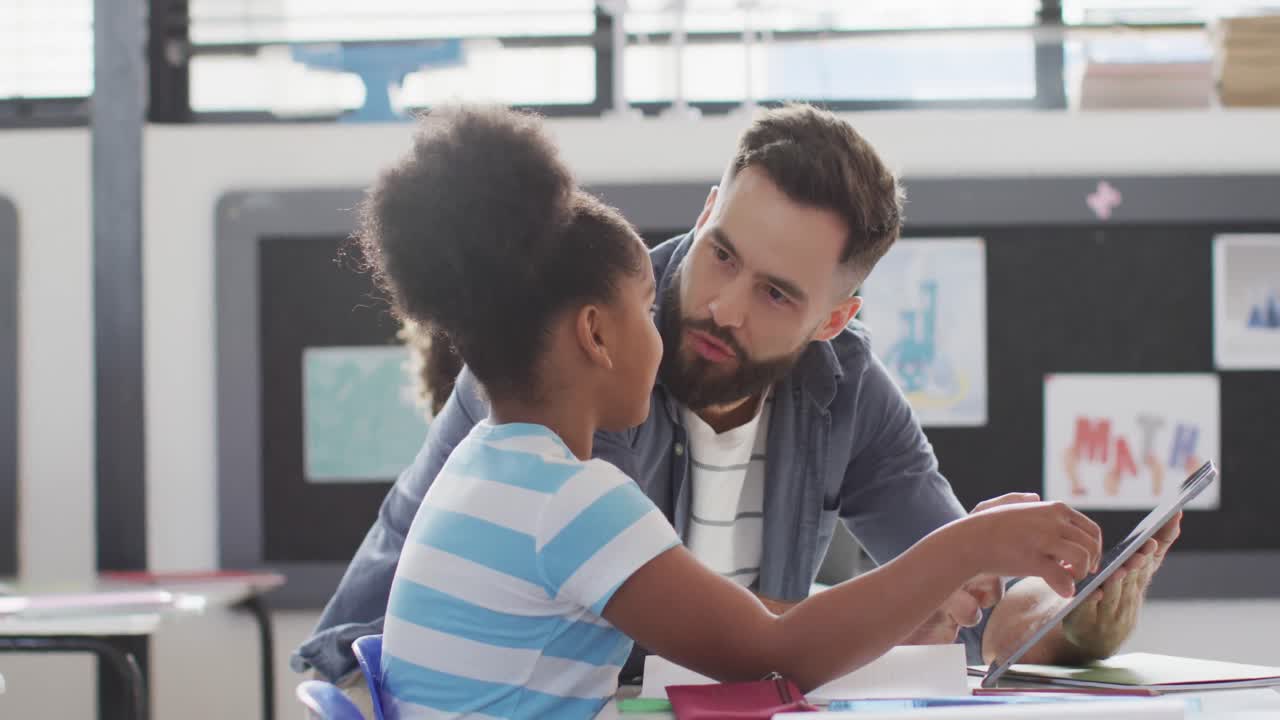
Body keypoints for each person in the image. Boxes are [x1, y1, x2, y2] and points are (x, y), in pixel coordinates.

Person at [294, 102, 1182, 692]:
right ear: (710, 205)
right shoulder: (565, 362)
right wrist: (917, 588)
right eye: (720, 252)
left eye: (777, 294)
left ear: (836, 316)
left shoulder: (848, 394)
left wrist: (1072, 611)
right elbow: (699, 638)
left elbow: (962, 603)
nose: (718, 305)